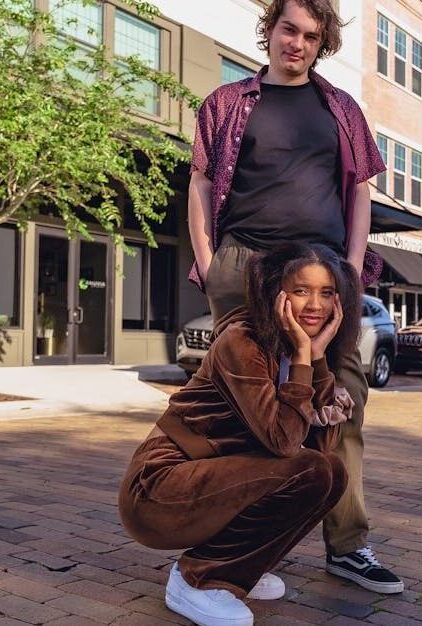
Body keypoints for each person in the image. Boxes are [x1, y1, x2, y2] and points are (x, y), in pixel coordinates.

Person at [186, 0, 403, 593]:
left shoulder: (342, 109)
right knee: (239, 412)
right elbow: (201, 183)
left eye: (311, 35)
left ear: (322, 41)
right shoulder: (227, 104)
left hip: (324, 275)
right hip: (244, 268)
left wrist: (353, 269)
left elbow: (360, 191)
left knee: (343, 404)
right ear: (271, 30)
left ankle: (348, 547)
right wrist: (209, 265)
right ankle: (235, 547)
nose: (297, 43)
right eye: (289, 29)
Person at [119, 243, 359, 626]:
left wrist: (315, 358)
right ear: (275, 292)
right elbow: (283, 442)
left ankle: (240, 565)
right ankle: (197, 580)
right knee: (310, 470)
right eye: (301, 291)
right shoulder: (241, 341)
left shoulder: (300, 347)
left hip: (218, 479)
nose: (315, 305)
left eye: (326, 293)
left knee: (330, 472)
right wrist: (303, 355)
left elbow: (319, 446)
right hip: (157, 490)